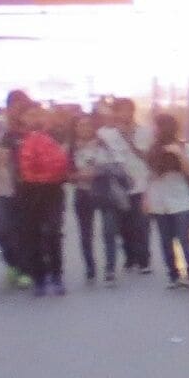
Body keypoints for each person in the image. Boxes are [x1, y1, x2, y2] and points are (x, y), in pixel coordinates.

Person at [12, 104, 72, 297]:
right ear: (23, 117)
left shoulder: (57, 135)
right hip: (27, 191)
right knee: (33, 234)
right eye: (29, 114)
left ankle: (56, 275)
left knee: (53, 232)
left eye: (37, 114)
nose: (33, 118)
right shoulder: (12, 137)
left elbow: (65, 161)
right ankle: (39, 277)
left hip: (52, 189)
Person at [69, 114, 126, 285]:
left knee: (109, 231)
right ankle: (90, 268)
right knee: (86, 233)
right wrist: (78, 176)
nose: (84, 128)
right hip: (82, 193)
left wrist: (97, 172)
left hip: (104, 192)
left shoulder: (103, 145)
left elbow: (116, 165)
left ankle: (110, 269)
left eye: (87, 125)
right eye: (80, 125)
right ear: (75, 128)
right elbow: (66, 172)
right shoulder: (71, 148)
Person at [98, 102, 153, 275]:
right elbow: (102, 158)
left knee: (142, 225)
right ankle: (130, 258)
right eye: (120, 111)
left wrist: (130, 141)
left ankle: (144, 261)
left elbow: (148, 157)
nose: (124, 115)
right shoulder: (105, 134)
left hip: (141, 184)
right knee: (124, 227)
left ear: (132, 112)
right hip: (118, 187)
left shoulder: (145, 132)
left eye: (127, 111)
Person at [146, 113, 189, 288]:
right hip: (159, 202)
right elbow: (151, 176)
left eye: (157, 127)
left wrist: (179, 155)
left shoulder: (184, 148)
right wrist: (146, 198)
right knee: (165, 240)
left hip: (182, 200)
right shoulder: (153, 150)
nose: (155, 130)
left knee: (184, 238)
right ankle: (173, 274)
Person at [0, 90, 31, 287]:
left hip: (25, 184)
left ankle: (23, 268)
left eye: (25, 108)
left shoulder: (26, 127)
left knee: (22, 228)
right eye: (19, 107)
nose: (22, 111)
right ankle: (13, 263)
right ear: (11, 105)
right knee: (3, 228)